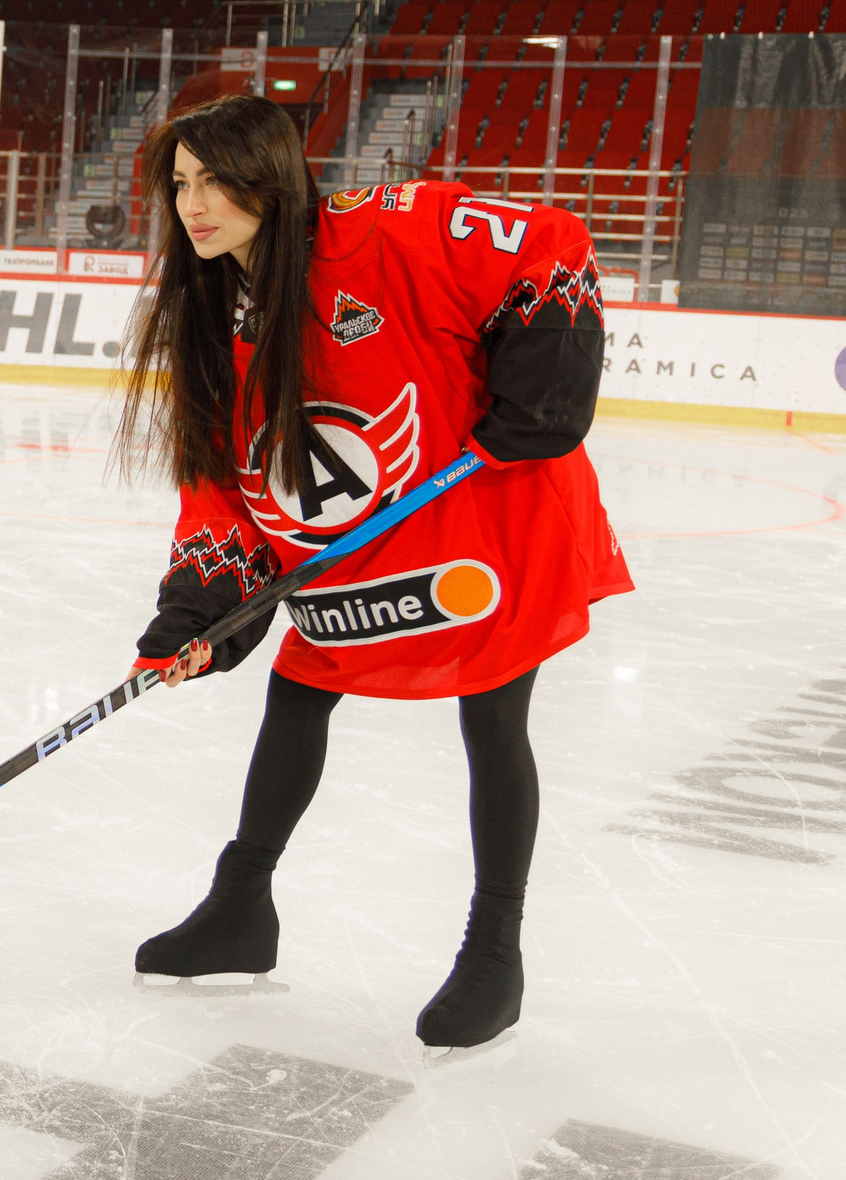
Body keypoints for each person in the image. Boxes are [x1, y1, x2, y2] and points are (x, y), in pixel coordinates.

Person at [114, 94, 631, 1050]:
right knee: (300, 689)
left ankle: (494, 952)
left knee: (492, 711)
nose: (195, 203)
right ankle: (240, 907)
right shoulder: (208, 311)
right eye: (180, 184)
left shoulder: (386, 229)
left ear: (271, 173)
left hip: (489, 517)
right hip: (363, 539)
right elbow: (220, 484)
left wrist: (546, 371)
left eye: (217, 179)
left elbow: (546, 240)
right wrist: (199, 608)